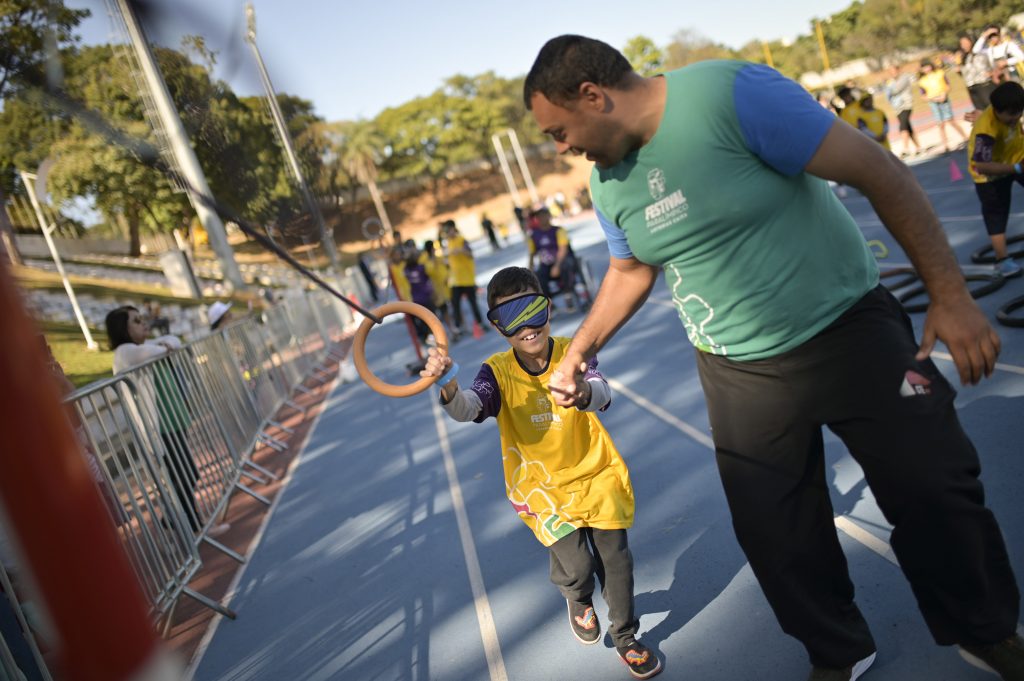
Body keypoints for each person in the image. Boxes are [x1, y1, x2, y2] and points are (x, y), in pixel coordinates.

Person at [525, 35, 1022, 681]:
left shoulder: (733, 94)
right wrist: (579, 351)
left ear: (595, 95)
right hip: (738, 369)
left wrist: (950, 294)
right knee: (777, 535)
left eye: (560, 130)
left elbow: (878, 169)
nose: (562, 148)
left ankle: (984, 629)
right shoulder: (607, 182)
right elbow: (629, 268)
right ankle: (838, 649)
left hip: (849, 328)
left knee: (936, 487)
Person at [420, 266, 662, 679]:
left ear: (547, 308)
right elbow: (469, 407)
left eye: (532, 311)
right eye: (511, 318)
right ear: (498, 327)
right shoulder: (495, 372)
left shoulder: (575, 350)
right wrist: (446, 384)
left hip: (595, 473)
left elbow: (602, 392)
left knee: (616, 561)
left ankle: (626, 637)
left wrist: (582, 391)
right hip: (541, 489)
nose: (527, 327)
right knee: (581, 568)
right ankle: (577, 595)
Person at [105, 306, 229, 538]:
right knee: (184, 475)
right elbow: (156, 351)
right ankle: (194, 528)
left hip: (173, 420)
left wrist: (163, 345)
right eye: (136, 321)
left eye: (142, 319)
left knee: (186, 474)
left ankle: (172, 520)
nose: (144, 323)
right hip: (159, 426)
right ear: (123, 328)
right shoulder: (125, 352)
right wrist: (163, 346)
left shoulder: (144, 346)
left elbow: (174, 341)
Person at [967, 81, 1024, 278]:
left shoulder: (1011, 113)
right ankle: (1002, 260)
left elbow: (1016, 131)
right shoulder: (986, 130)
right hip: (989, 175)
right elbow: (981, 165)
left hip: (1016, 160)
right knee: (997, 213)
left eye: (1018, 114)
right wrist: (1015, 168)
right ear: (997, 111)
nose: (1015, 119)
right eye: (1010, 115)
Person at [527, 206, 586, 312]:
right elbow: (532, 253)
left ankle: (568, 294)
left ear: (549, 216)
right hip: (546, 263)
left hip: (563, 260)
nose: (541, 218)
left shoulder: (559, 231)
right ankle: (548, 302)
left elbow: (563, 249)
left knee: (565, 266)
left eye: (543, 215)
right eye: (538, 216)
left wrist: (557, 266)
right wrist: (529, 269)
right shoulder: (533, 235)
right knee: (537, 276)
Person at [441, 220, 487, 336]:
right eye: (445, 231)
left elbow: (470, 254)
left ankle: (481, 323)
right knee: (455, 304)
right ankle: (458, 326)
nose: (447, 233)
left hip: (467, 279)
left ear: (453, 229)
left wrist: (461, 250)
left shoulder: (461, 240)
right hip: (455, 280)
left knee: (473, 303)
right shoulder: (447, 243)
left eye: (448, 230)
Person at [918, 58, 969, 153]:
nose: (926, 69)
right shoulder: (922, 81)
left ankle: (965, 137)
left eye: (927, 66)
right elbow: (923, 95)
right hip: (933, 102)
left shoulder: (939, 73)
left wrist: (944, 94)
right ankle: (946, 145)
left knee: (950, 120)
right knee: (940, 124)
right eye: (924, 67)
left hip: (943, 98)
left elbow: (947, 85)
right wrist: (931, 99)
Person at [883, 64, 922, 158]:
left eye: (894, 71)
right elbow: (887, 94)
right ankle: (918, 147)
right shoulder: (891, 81)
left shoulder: (904, 78)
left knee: (903, 126)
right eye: (890, 72)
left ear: (898, 70)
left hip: (906, 105)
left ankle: (905, 149)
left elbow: (895, 90)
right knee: (908, 127)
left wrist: (888, 87)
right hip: (897, 108)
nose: (892, 74)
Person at [957, 33, 996, 111]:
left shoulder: (983, 52)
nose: (963, 46)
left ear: (971, 41)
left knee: (992, 110)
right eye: (961, 44)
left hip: (984, 85)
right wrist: (958, 71)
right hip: (971, 87)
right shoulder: (965, 57)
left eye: (965, 43)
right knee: (981, 113)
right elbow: (966, 75)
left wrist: (993, 72)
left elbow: (995, 64)